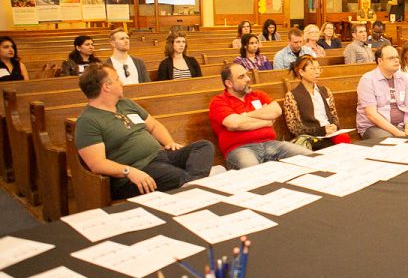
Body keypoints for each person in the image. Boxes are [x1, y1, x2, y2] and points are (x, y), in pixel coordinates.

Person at [74, 65, 214, 199]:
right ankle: (194, 185)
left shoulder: (125, 104)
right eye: (117, 79)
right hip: (137, 170)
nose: (121, 82)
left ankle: (191, 184)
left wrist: (169, 142)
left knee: (203, 146)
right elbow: (97, 164)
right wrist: (129, 171)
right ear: (107, 86)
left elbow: (153, 126)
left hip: (161, 156)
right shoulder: (88, 121)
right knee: (177, 176)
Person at [209, 63, 311, 168]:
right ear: (229, 83)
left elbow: (276, 111)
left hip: (272, 144)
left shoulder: (258, 95)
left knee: (311, 157)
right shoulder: (219, 101)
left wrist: (244, 116)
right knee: (254, 171)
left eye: (246, 75)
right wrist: (266, 122)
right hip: (241, 149)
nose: (248, 79)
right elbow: (235, 124)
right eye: (241, 77)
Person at [355, 45, 408, 140]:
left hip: (401, 124)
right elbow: (372, 114)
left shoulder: (402, 78)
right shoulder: (368, 80)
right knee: (391, 142)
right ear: (380, 61)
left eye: (396, 57)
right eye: (391, 58)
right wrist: (397, 132)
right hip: (374, 127)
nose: (396, 60)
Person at [283, 55, 351, 150]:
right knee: (327, 146)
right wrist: (321, 131)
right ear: (301, 72)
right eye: (313, 69)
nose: (317, 72)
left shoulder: (325, 91)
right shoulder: (292, 96)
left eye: (318, 68)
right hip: (311, 136)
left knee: (344, 138)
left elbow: (334, 116)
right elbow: (294, 127)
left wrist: (335, 126)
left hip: (330, 133)